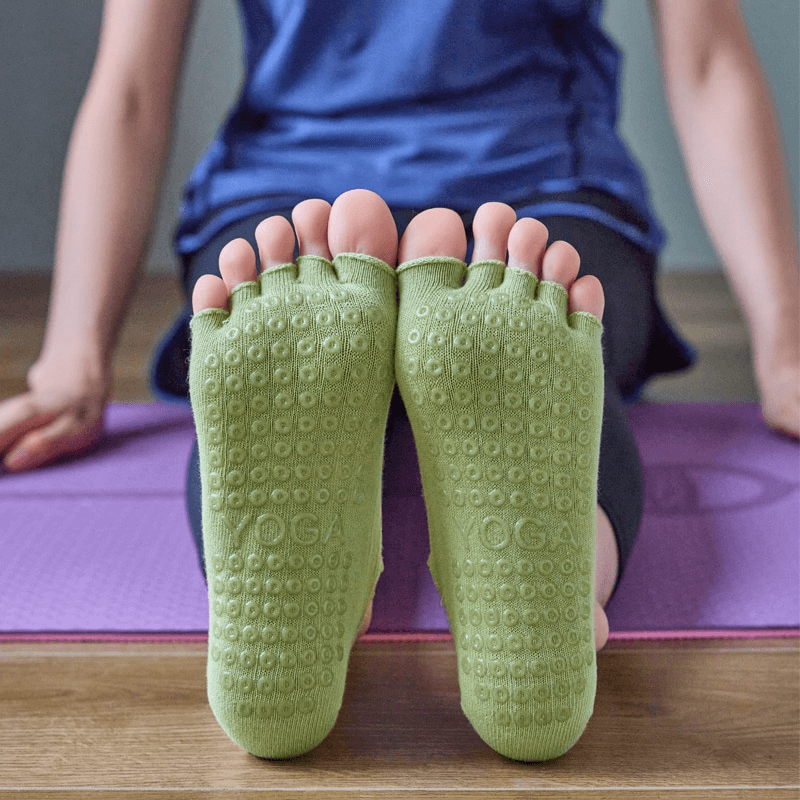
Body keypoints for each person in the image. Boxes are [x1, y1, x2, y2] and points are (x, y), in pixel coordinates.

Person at [0, 0, 797, 761]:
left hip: (294, 198)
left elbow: (134, 89)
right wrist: (72, 361)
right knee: (551, 364)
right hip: (533, 190)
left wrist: (785, 347)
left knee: (287, 371)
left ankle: (302, 618)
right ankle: (564, 599)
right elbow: (705, 62)